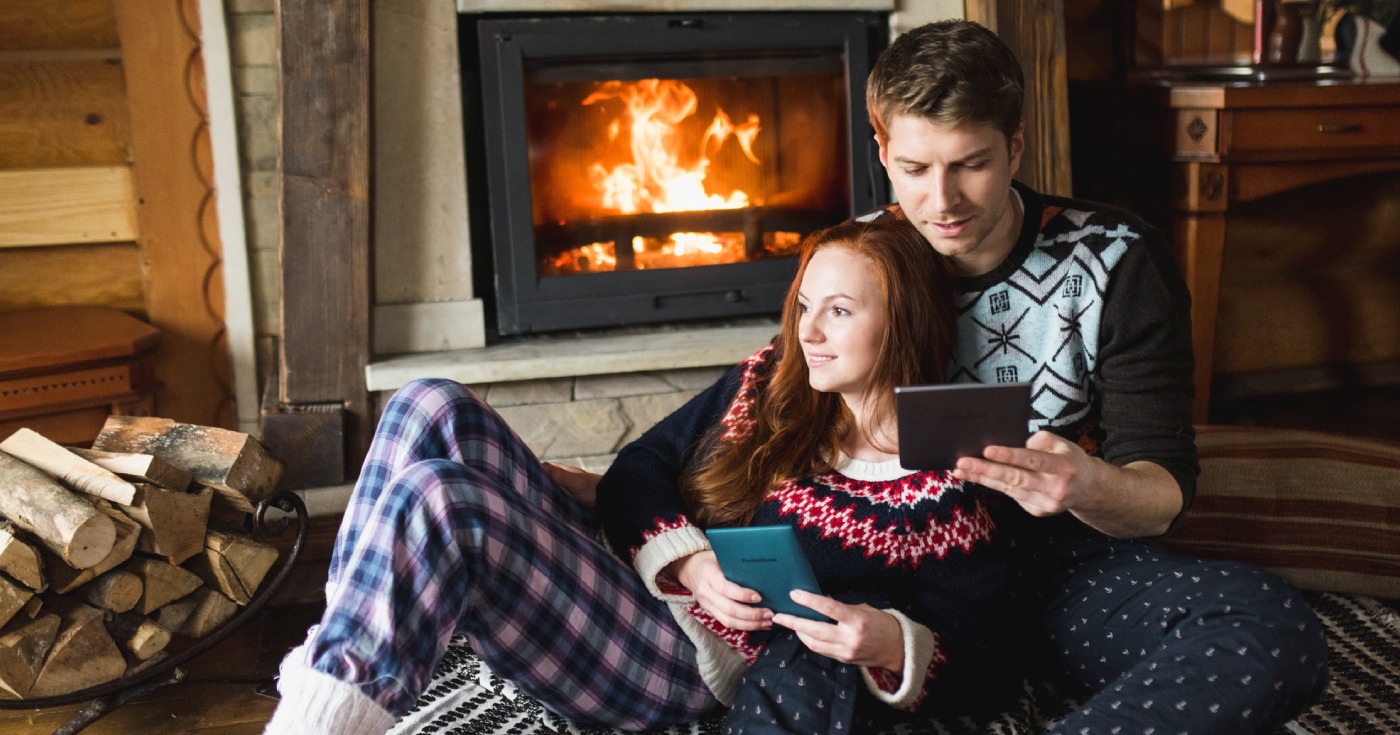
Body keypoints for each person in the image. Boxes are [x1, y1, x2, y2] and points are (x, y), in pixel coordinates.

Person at [263, 218, 1012, 735]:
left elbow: (990, 671)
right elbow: (641, 464)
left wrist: (889, 642)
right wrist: (691, 561)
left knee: (440, 499)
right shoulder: (774, 378)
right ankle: (332, 680)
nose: (807, 331)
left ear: (902, 321)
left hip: (688, 659)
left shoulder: (940, 492)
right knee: (427, 402)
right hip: (642, 580)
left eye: (839, 311)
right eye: (805, 305)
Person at [853, 18, 1327, 733]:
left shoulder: (1117, 257)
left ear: (1016, 146)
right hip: (903, 574)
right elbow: (764, 432)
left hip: (1068, 573)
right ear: (884, 153)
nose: (943, 201)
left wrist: (1087, 485)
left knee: (1272, 627)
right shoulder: (853, 260)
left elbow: (1163, 492)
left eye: (971, 164)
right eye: (916, 169)